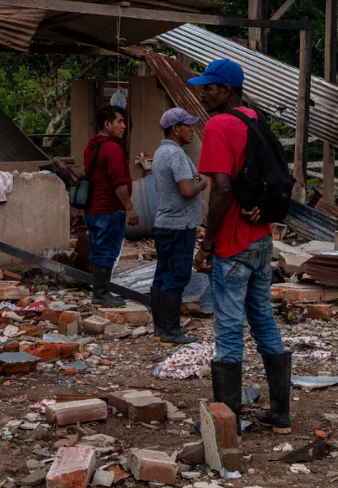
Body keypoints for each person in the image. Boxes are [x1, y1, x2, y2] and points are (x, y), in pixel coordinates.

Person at [189, 59, 291, 434]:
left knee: (229, 328)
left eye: (209, 87)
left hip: (232, 241)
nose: (203, 93)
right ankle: (280, 413)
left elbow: (221, 190)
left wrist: (208, 242)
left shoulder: (220, 124)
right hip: (262, 238)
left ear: (226, 90)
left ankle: (224, 423)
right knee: (263, 319)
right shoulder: (256, 120)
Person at [149, 107, 208, 346]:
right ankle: (171, 333)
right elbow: (186, 191)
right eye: (188, 126)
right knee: (177, 276)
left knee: (162, 276)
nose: (192, 130)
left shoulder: (161, 152)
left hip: (165, 224)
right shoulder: (177, 155)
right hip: (179, 226)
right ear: (176, 129)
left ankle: (160, 329)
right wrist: (202, 184)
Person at [83, 105, 139, 308]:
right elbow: (118, 183)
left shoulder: (91, 146)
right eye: (119, 122)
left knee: (98, 251)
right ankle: (101, 294)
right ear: (107, 125)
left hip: (92, 210)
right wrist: (129, 208)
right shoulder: (112, 148)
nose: (123, 126)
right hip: (109, 210)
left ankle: (99, 292)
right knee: (107, 252)